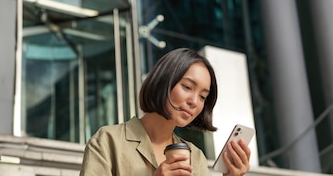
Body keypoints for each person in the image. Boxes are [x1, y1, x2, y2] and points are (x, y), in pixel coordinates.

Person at [80, 48, 251, 176]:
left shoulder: (195, 157)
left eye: (203, 96)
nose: (194, 101)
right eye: (187, 87)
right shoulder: (109, 141)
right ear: (163, 81)